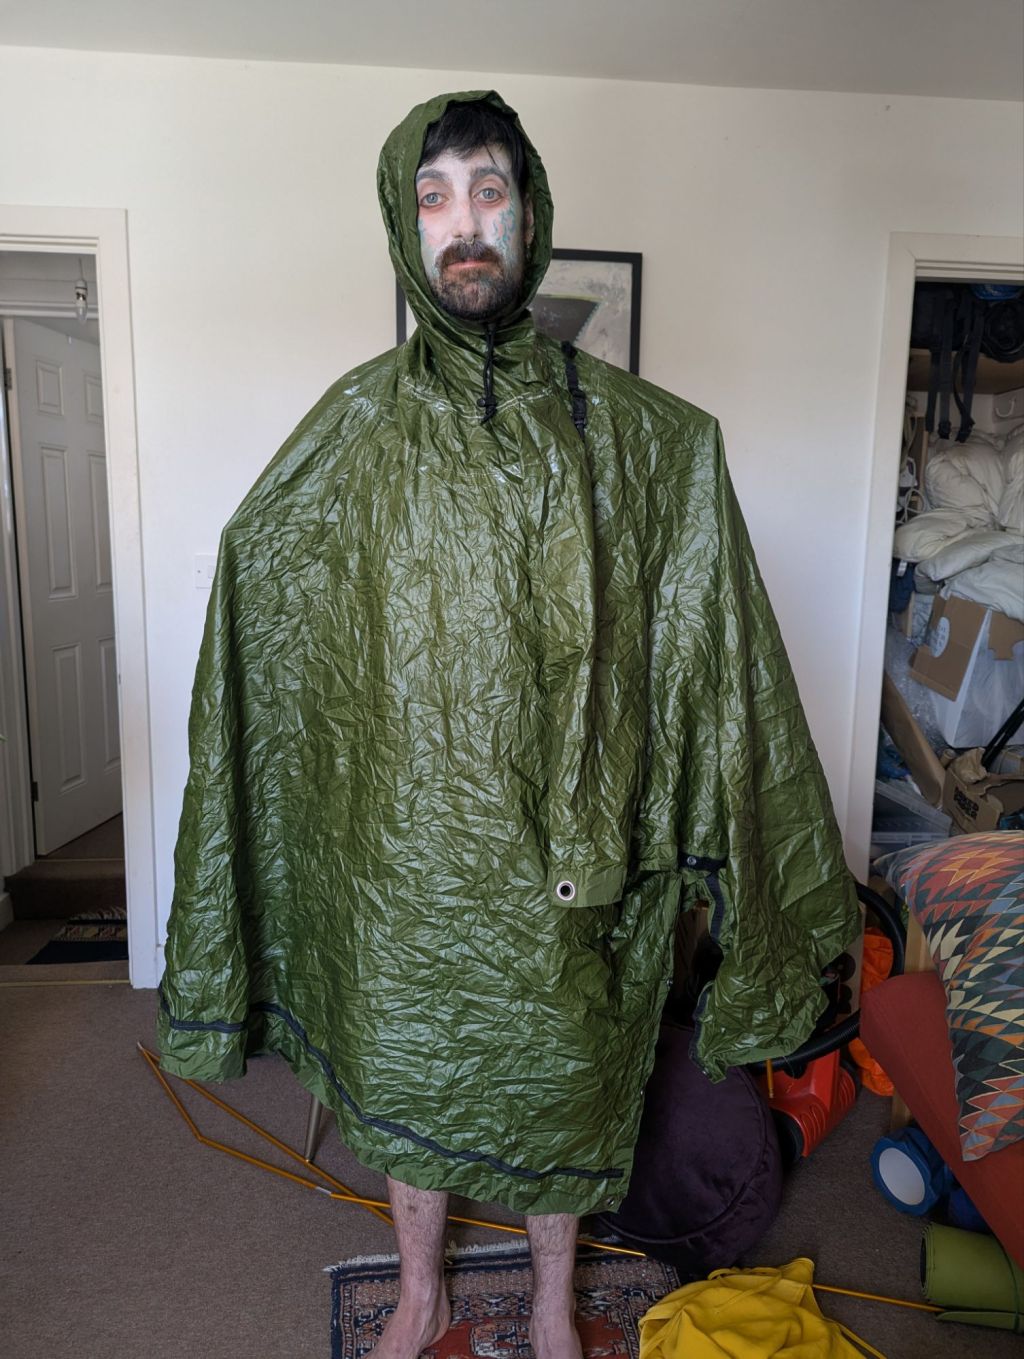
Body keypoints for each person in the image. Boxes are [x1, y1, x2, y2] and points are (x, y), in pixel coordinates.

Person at [158, 92, 859, 1359]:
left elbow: (719, 655)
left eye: (488, 190)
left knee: (564, 1073)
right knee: (407, 1066)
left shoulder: (643, 444)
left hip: (571, 858)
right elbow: (264, 591)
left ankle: (547, 1304)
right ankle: (421, 1293)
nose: (464, 222)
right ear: (404, 224)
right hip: (404, 862)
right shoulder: (353, 431)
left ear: (529, 215)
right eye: (434, 198)